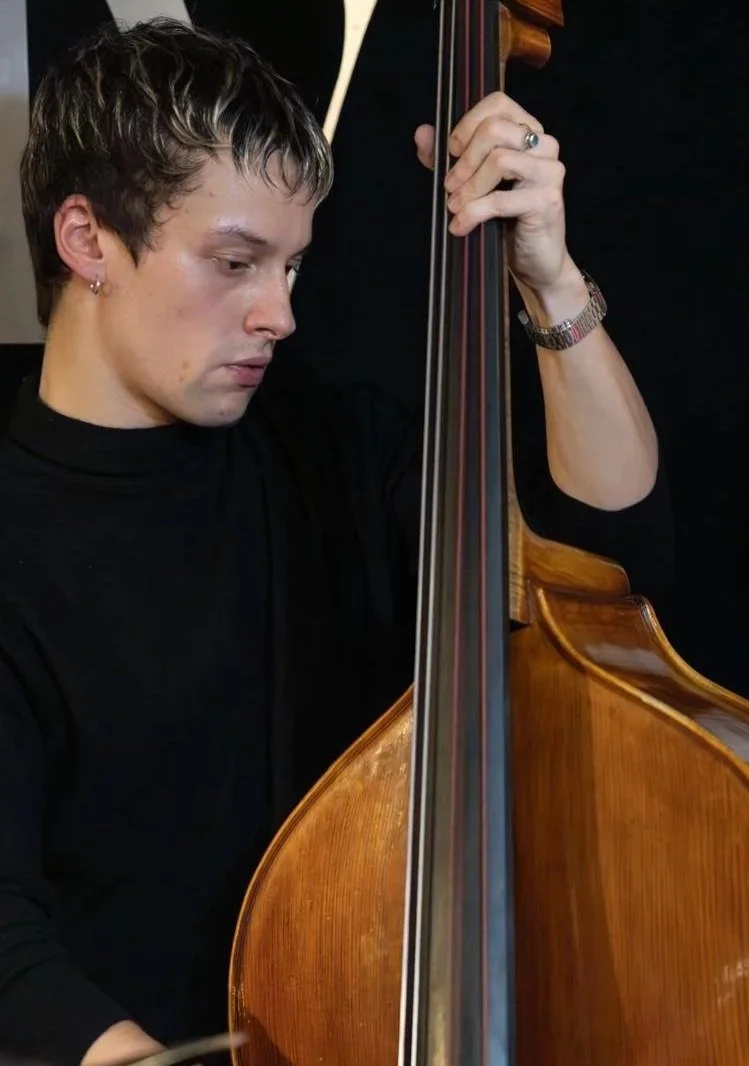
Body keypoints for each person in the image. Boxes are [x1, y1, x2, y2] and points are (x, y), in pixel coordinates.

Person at [0, 16, 672, 1066]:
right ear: (87, 241)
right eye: (234, 261)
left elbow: (603, 550)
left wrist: (546, 276)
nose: (278, 314)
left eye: (293, 266)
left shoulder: (335, 449)